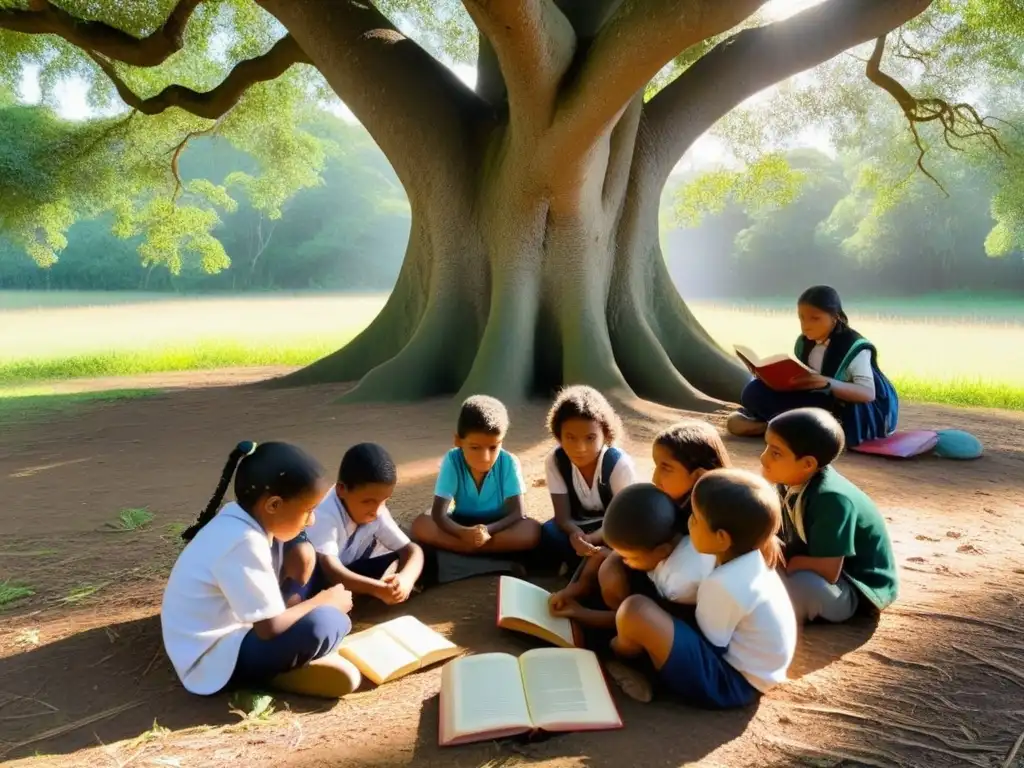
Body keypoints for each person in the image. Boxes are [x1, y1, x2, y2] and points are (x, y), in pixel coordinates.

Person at [161, 441, 360, 699]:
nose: (312, 521)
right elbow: (270, 628)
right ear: (273, 505)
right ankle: (280, 674)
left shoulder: (239, 522)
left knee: (312, 576)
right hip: (212, 661)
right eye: (308, 511)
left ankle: (288, 666)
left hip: (224, 637)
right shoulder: (243, 541)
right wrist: (326, 602)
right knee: (328, 622)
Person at [608, 470, 797, 707]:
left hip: (730, 683)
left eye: (695, 519)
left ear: (721, 538)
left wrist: (644, 631)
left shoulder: (723, 584)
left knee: (635, 611)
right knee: (647, 608)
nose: (688, 522)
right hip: (743, 666)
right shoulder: (746, 557)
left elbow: (712, 645)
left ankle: (620, 656)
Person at [549, 420, 729, 625]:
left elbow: (671, 609)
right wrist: (591, 544)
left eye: (666, 468)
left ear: (698, 476)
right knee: (603, 558)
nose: (654, 477)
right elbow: (624, 536)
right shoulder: (668, 497)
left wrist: (581, 614)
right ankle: (581, 588)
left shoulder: (707, 530)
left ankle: (614, 624)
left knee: (611, 573)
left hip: (661, 599)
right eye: (656, 466)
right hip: (650, 567)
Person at [760, 407, 899, 624]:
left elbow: (828, 571)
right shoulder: (790, 481)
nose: (764, 458)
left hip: (851, 587)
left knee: (795, 586)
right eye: (766, 447)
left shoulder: (832, 499)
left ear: (807, 464)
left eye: (776, 453)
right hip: (809, 564)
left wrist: (786, 561)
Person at [727, 285, 899, 448]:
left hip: (847, 405)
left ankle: (773, 426)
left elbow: (867, 394)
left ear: (835, 317)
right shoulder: (805, 342)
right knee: (753, 390)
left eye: (815, 318)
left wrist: (826, 382)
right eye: (801, 317)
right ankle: (789, 426)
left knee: (820, 403)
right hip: (815, 395)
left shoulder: (854, 348)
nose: (806, 324)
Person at [410, 395, 541, 555]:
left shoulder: (508, 462)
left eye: (493, 447)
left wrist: (487, 530)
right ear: (458, 441)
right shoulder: (452, 460)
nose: (485, 457)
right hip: (460, 524)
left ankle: (466, 549)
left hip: (497, 527)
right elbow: (439, 514)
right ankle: (478, 549)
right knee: (422, 524)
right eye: (475, 447)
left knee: (531, 530)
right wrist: (462, 533)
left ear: (502, 441)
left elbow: (518, 512)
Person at [304, 443, 424, 605]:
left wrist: (405, 580)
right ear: (341, 490)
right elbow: (331, 570)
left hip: (352, 567)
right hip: (322, 578)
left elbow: (411, 549)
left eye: (384, 501)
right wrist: (377, 589)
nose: (376, 510)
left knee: (425, 553)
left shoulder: (376, 510)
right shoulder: (325, 514)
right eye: (368, 501)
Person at [539, 385, 636, 573]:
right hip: (579, 527)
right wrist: (576, 535)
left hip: (613, 528)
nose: (580, 447)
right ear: (559, 436)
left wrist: (592, 539)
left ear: (605, 435)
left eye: (590, 438)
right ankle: (590, 564)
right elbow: (562, 517)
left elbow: (625, 519)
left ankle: (585, 565)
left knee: (630, 540)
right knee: (548, 533)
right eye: (570, 437)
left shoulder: (618, 464)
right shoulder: (556, 461)